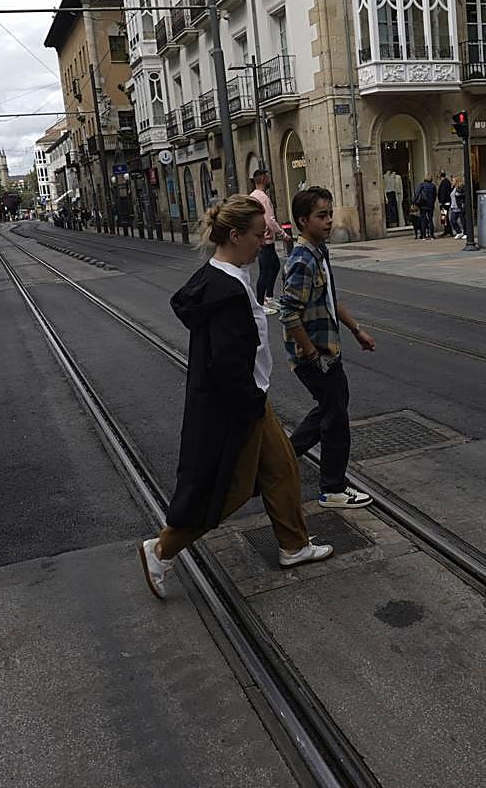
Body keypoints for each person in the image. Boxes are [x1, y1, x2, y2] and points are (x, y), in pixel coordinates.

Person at [138, 195, 334, 599]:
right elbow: (227, 363)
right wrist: (250, 405)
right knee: (229, 489)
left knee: (282, 468)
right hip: (238, 405)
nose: (264, 242)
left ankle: (294, 545)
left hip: (251, 396)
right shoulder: (225, 289)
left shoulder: (229, 277)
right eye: (258, 235)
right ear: (234, 236)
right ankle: (162, 549)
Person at [279, 187, 375, 510]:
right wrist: (311, 351)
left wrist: (356, 330)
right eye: (322, 216)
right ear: (303, 221)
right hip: (315, 354)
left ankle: (281, 459)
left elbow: (331, 299)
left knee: (331, 408)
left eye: (330, 214)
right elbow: (288, 312)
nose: (329, 221)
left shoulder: (319, 252)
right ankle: (332, 488)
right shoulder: (302, 260)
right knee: (336, 420)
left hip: (326, 349)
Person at [249, 169, 287, 315]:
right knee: (265, 271)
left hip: (262, 238)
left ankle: (269, 297)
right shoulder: (263, 198)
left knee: (274, 266)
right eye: (268, 177)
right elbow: (270, 220)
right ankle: (260, 303)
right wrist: (282, 233)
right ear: (264, 179)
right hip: (266, 239)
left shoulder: (253, 196)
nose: (270, 180)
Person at [412, 174, 437, 240]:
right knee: (430, 220)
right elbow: (435, 196)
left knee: (423, 220)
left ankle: (423, 236)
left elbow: (417, 194)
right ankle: (432, 235)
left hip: (423, 205)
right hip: (430, 205)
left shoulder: (422, 185)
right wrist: (432, 202)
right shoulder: (433, 186)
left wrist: (413, 202)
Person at [437, 171, 453, 236]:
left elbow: (443, 193)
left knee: (445, 217)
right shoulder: (445, 182)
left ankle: (449, 231)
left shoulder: (445, 182)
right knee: (444, 217)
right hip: (445, 203)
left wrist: (442, 202)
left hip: (444, 203)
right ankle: (446, 230)